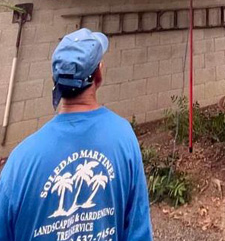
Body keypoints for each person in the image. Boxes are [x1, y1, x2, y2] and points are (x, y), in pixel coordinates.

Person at [0, 28, 153, 240]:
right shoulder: (124, 138)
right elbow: (138, 232)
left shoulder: (19, 163)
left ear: (55, 82)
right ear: (98, 75)